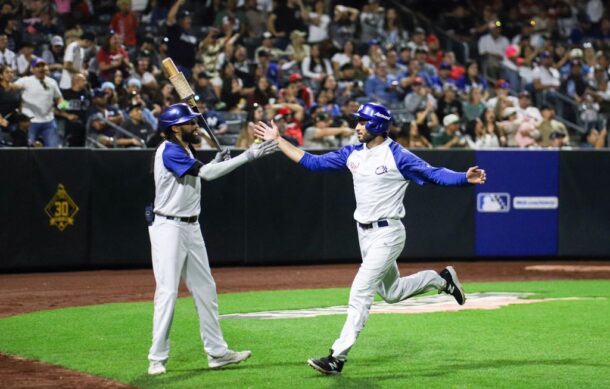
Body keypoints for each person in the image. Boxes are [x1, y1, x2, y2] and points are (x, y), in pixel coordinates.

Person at [252, 102, 486, 375]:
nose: (357, 126)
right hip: (365, 234)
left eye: (362, 121)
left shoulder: (398, 155)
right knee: (392, 292)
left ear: (377, 124)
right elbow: (313, 163)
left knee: (361, 291)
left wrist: (462, 178)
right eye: (358, 121)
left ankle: (337, 357)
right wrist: (279, 140)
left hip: (389, 232)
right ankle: (441, 279)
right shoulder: (354, 153)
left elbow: (433, 174)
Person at [147, 103, 279, 375]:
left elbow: (201, 172)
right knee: (168, 292)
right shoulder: (170, 149)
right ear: (175, 128)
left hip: (190, 226)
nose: (195, 125)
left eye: (194, 121)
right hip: (169, 227)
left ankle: (217, 353)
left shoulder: (184, 147)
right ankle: (156, 358)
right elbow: (206, 175)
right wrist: (249, 155)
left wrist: (218, 162)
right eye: (190, 122)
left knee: (206, 289)